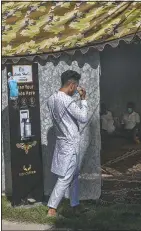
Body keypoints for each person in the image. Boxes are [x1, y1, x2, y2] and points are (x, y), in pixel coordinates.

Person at [47, 70, 88, 217]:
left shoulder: (51, 99)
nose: (75, 90)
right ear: (71, 85)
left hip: (62, 142)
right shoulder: (66, 100)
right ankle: (52, 208)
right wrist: (83, 99)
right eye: (75, 86)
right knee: (65, 177)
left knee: (74, 175)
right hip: (70, 144)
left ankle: (75, 204)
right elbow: (83, 117)